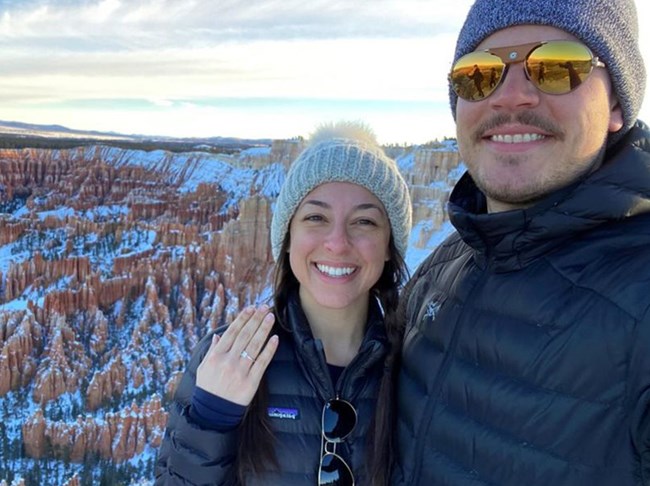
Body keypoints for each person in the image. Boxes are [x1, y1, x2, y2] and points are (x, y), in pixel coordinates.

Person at [395, 0, 650, 485]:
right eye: (479, 73)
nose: (510, 97)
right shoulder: (442, 268)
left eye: (557, 66)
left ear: (616, 104)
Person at [155, 121, 412, 485]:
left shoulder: (417, 364)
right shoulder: (228, 357)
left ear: (389, 246)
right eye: (316, 217)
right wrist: (212, 418)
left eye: (365, 221)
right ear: (288, 237)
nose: (337, 242)